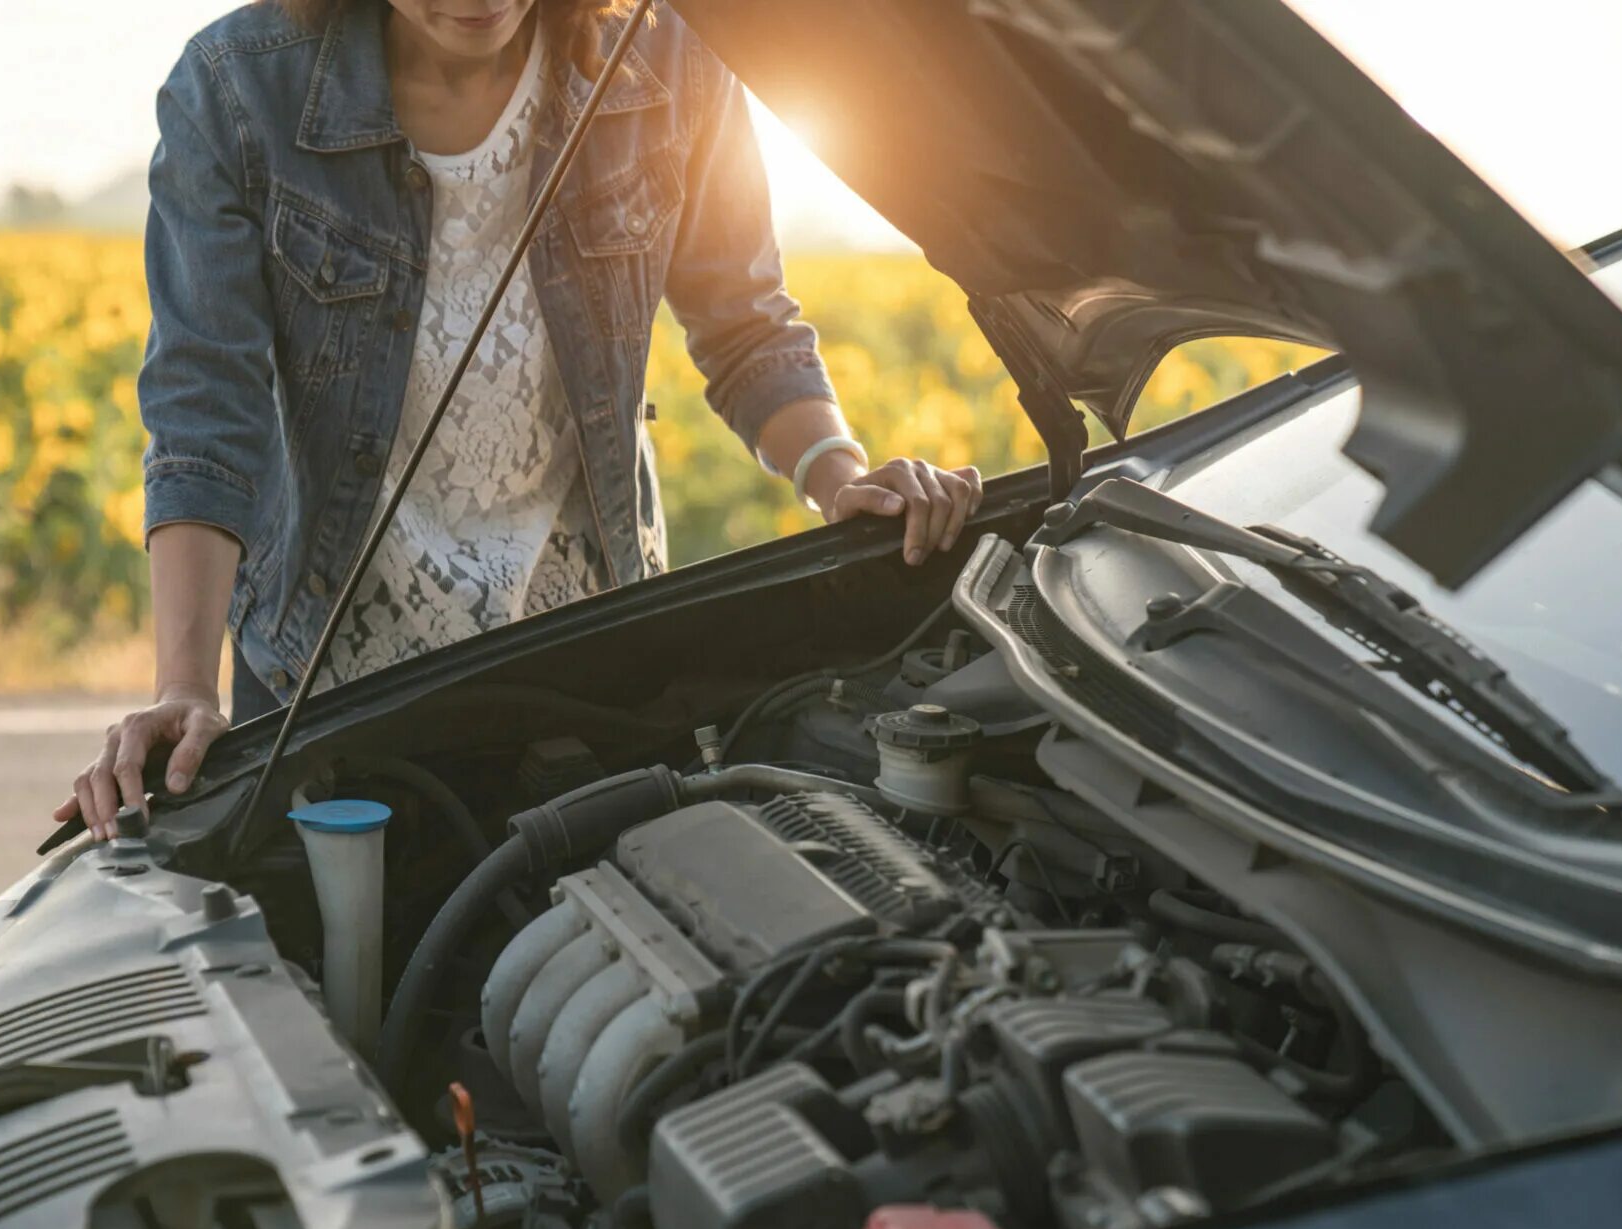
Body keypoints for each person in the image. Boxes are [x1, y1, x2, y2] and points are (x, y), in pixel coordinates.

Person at [58, 0, 983, 839]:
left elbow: (745, 326)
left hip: (587, 653)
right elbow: (204, 413)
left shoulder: (671, 59)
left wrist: (839, 474)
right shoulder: (234, 91)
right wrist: (184, 686)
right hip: (326, 687)